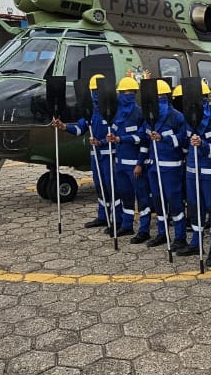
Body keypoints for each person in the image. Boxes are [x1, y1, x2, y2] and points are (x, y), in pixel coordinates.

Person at [53, 73, 114, 230]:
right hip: (95, 155)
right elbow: (80, 129)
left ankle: (116, 219)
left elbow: (118, 134)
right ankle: (103, 216)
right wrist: (64, 127)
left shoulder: (112, 111)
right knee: (99, 186)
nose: (94, 95)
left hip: (109, 154)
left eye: (96, 91)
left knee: (111, 186)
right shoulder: (91, 112)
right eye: (92, 91)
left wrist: (102, 142)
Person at [141, 79, 189, 250]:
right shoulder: (149, 117)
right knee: (158, 202)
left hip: (171, 167)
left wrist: (164, 138)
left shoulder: (176, 116)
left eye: (161, 97)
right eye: (156, 97)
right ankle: (162, 233)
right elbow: (143, 137)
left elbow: (184, 139)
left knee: (175, 202)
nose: (158, 100)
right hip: (154, 166)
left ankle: (180, 237)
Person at [109, 77, 152, 242]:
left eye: (128, 93)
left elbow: (143, 140)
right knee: (125, 196)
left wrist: (140, 164)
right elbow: (114, 133)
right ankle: (127, 225)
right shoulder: (118, 113)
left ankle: (144, 229)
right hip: (120, 164)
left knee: (142, 197)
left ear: (134, 94)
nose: (125, 96)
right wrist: (106, 139)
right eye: (122, 93)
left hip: (134, 165)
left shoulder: (139, 113)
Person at [182, 81, 211, 260]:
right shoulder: (187, 118)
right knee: (195, 207)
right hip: (192, 169)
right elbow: (182, 141)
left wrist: (203, 144)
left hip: (209, 171)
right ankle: (196, 243)